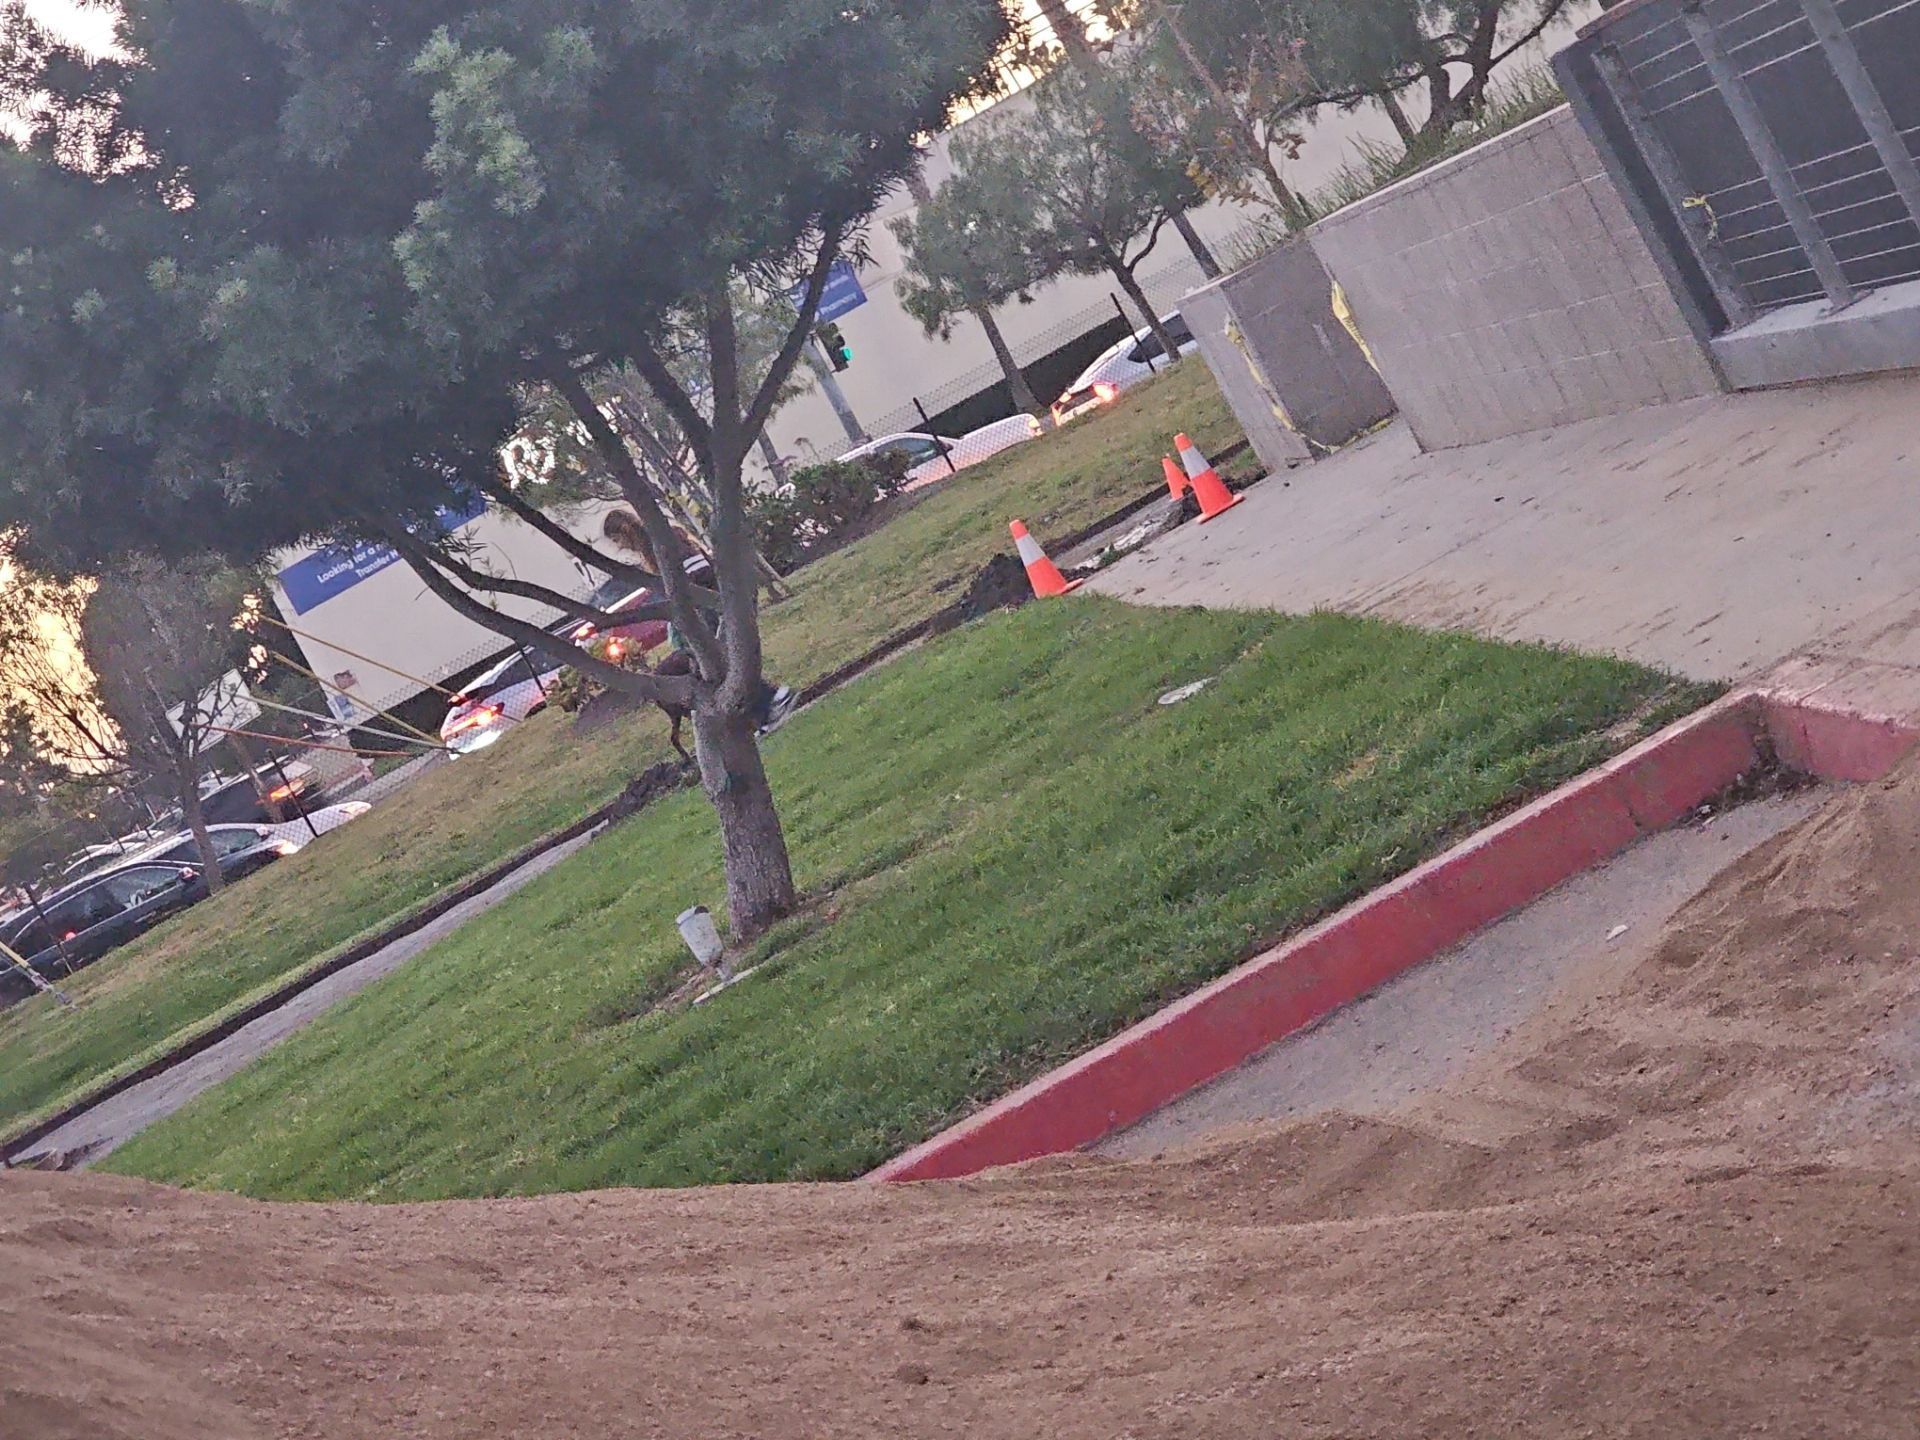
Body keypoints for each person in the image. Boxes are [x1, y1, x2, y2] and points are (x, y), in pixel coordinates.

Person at [601, 511, 797, 735]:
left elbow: (696, 571)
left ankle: (772, 698)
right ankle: (765, 710)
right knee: (723, 664)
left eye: (616, 540)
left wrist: (688, 606)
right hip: (710, 601)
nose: (620, 547)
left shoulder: (659, 544)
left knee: (719, 663)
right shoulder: (664, 538)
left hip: (707, 605)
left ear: (625, 531)